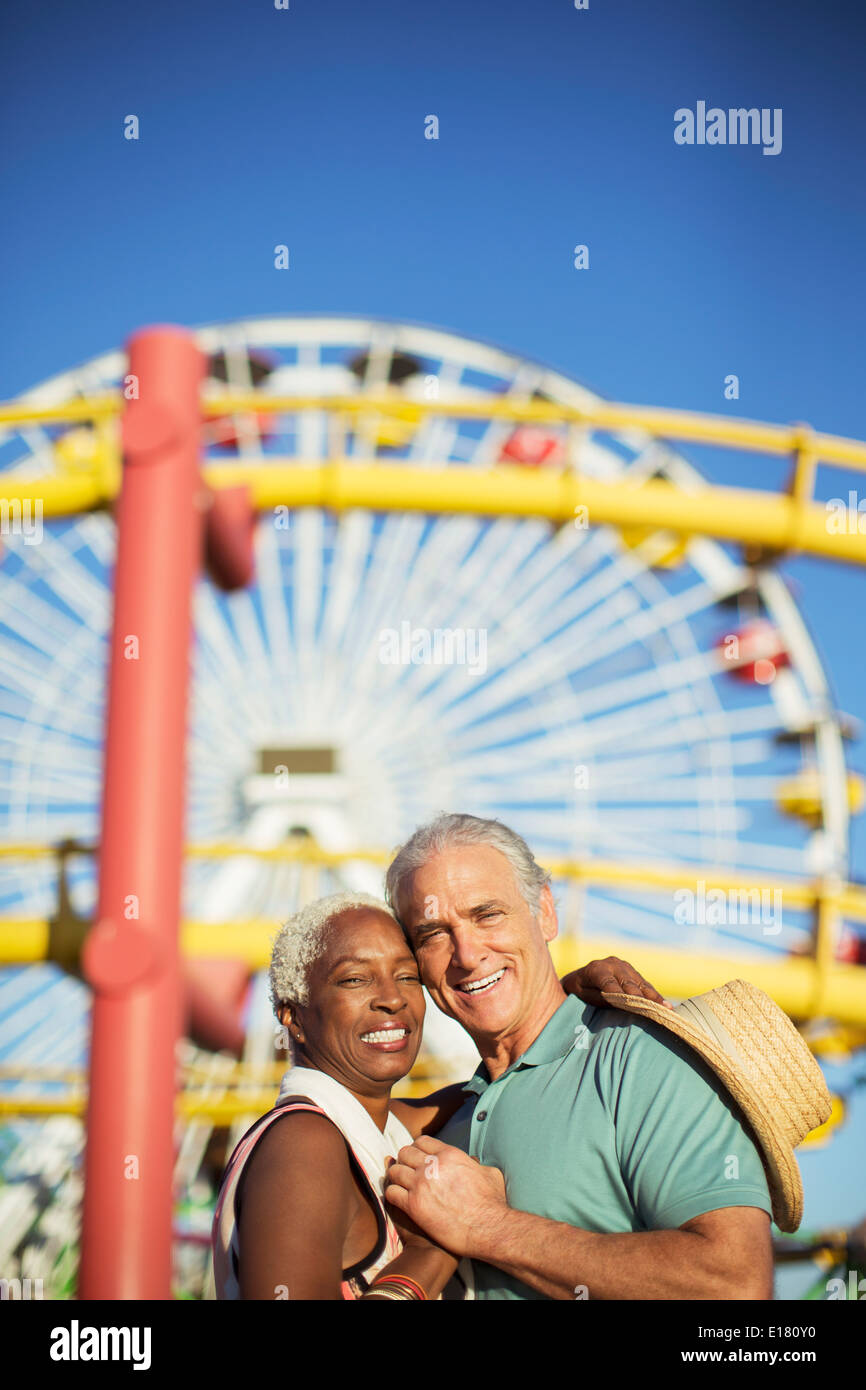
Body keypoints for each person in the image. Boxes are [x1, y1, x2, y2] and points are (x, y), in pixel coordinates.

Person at [383, 813, 831, 1300]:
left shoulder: (645, 1058)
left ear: (546, 911)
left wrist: (486, 1225)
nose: (467, 954)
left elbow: (733, 1286)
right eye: (433, 934)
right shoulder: (453, 1117)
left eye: (487, 914)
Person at [211, 890, 663, 1300]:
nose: (391, 999)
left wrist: (556, 1001)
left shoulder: (373, 1129)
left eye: (407, 977)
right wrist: (434, 1247)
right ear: (292, 1016)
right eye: (354, 980)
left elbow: (492, 1083)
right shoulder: (304, 1145)